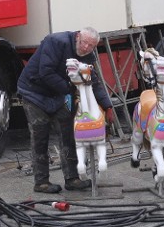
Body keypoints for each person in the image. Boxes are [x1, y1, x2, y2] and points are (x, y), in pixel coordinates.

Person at [18, 27, 114, 194]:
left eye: (91, 46)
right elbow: (45, 72)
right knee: (40, 136)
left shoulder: (87, 54)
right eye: (84, 43)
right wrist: (69, 88)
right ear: (78, 37)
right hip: (34, 92)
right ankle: (41, 182)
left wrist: (107, 105)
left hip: (58, 94)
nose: (86, 48)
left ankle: (72, 178)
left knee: (69, 133)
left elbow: (93, 79)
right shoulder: (56, 42)